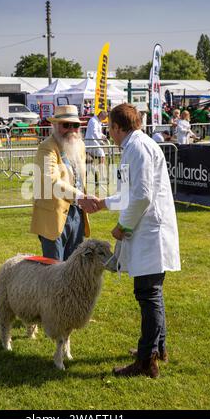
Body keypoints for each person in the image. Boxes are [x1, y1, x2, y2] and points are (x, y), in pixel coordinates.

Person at [97, 103, 181, 378]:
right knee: (151, 293)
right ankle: (158, 348)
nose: (109, 133)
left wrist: (122, 226)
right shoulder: (135, 146)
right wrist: (100, 204)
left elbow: (142, 196)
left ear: (118, 127)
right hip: (147, 230)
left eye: (110, 128)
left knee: (148, 294)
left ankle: (147, 361)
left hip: (149, 232)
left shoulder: (138, 148)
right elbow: (128, 194)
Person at [30, 105, 97, 261]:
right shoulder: (47, 147)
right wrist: (79, 196)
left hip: (77, 214)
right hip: (54, 215)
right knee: (54, 270)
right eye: (66, 125)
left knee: (74, 268)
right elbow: (51, 180)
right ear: (55, 125)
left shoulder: (80, 145)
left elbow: (79, 177)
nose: (71, 129)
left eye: (75, 125)